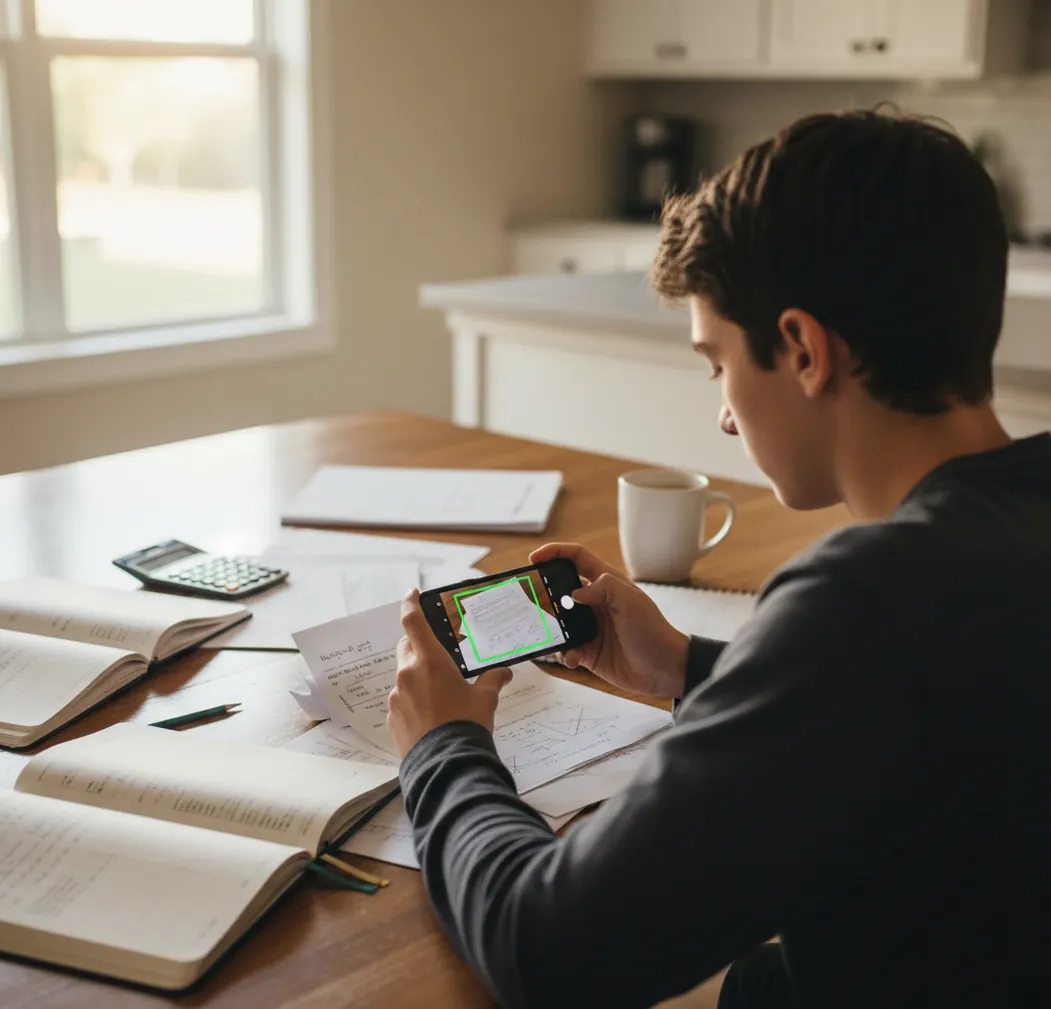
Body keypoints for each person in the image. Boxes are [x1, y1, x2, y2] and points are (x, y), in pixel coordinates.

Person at [386, 109, 1051, 1009]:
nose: (726, 416)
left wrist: (440, 743)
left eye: (716, 363)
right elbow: (944, 713)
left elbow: (548, 950)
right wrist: (690, 668)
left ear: (804, 350)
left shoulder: (868, 598)